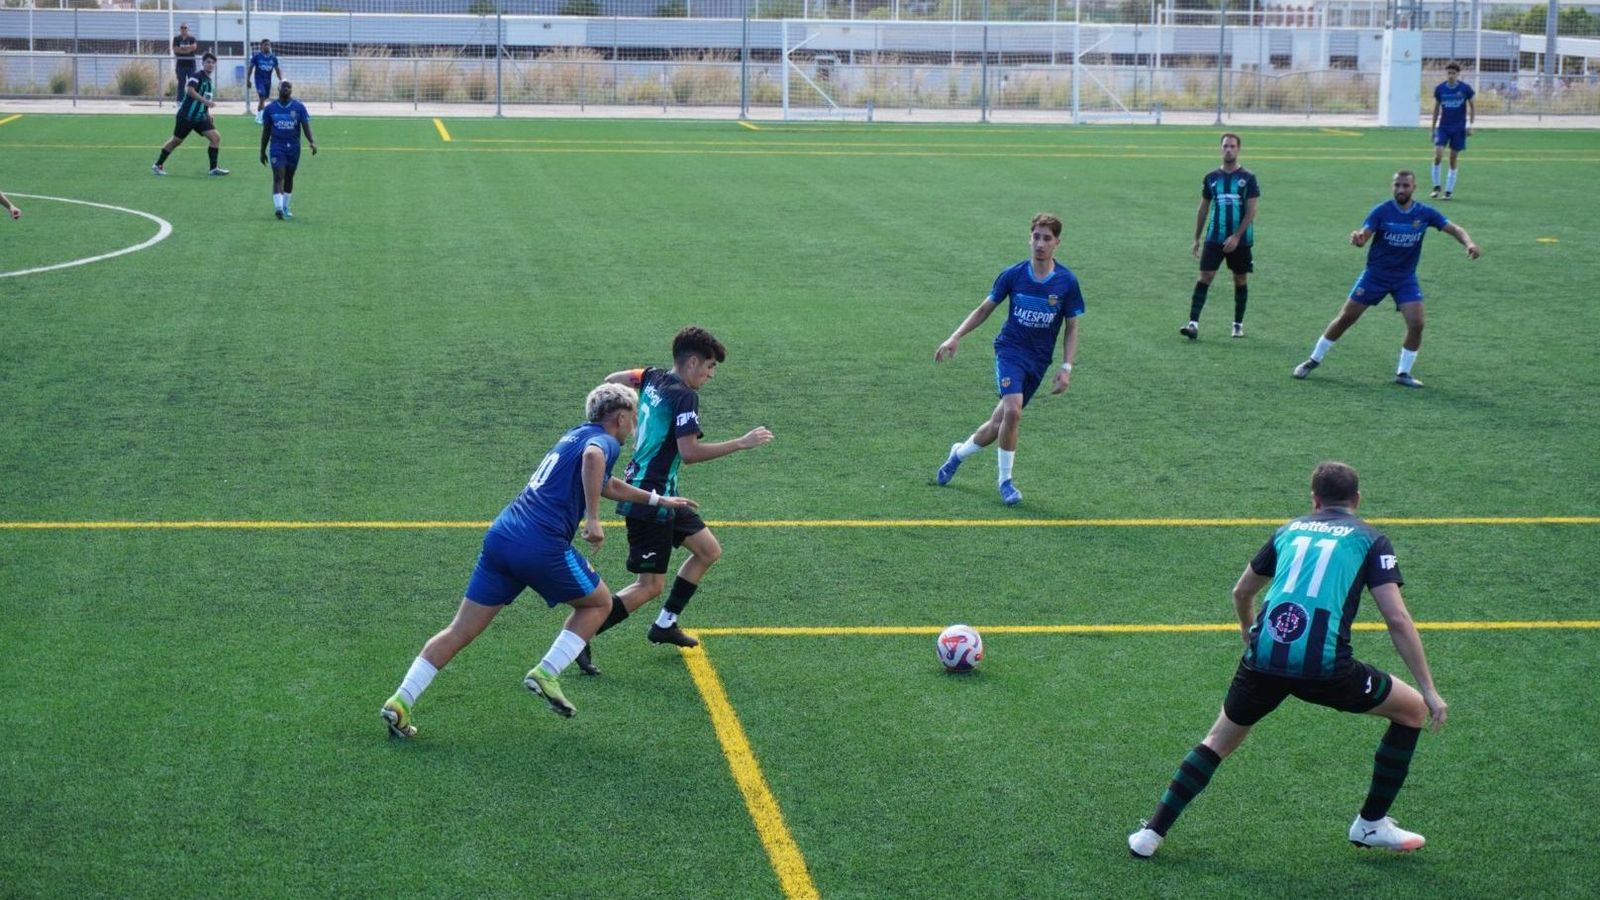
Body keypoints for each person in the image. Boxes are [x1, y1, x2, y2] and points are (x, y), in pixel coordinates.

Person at [1128, 461, 1448, 859]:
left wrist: (1249, 632)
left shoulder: (1289, 530)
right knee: (1412, 710)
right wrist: (1431, 690)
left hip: (1262, 661)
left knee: (1218, 741)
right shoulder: (1371, 539)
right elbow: (1396, 618)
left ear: (1313, 500)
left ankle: (1151, 834)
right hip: (1328, 671)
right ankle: (1370, 825)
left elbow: (1241, 592)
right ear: (1358, 499)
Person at [379, 383, 698, 738]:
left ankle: (401, 701)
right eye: (633, 420)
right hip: (540, 543)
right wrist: (593, 519)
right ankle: (547, 672)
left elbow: (607, 484)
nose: (634, 428)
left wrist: (657, 500)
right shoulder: (604, 443)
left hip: (502, 537)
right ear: (620, 418)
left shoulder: (575, 434)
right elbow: (594, 461)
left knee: (460, 629)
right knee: (600, 602)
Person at [575, 326, 773, 676]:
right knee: (649, 586)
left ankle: (665, 624)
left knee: (708, 550)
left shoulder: (651, 377)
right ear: (692, 361)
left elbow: (612, 379)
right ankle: (579, 638)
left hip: (668, 496)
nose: (711, 375)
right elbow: (690, 451)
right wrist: (741, 443)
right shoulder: (684, 396)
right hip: (651, 497)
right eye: (710, 366)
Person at [933, 213, 1082, 506]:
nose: (1040, 244)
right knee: (1013, 412)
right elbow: (984, 309)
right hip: (1010, 351)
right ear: (1030, 238)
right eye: (1036, 237)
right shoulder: (1013, 275)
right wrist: (955, 336)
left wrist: (1066, 367)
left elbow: (1072, 326)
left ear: (1057, 243)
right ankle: (1006, 483)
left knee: (996, 424)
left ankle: (957, 455)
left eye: (1047, 238)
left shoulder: (1066, 282)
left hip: (1038, 362)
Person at [1292, 171, 1479, 388]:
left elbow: (1454, 228)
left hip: (1405, 278)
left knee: (1417, 323)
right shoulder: (1382, 211)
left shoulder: (1424, 213)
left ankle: (1403, 373)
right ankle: (1312, 361)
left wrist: (1469, 243)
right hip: (1375, 276)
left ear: (1414, 188)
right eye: (1397, 185)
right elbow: (1364, 236)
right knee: (1345, 318)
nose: (1401, 190)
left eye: (1405, 186)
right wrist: (1358, 239)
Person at [1181, 133, 1259, 340]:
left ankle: (1237, 324)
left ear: (1238, 149)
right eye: (1225, 146)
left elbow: (1252, 211)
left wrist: (1236, 236)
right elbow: (1203, 208)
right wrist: (1197, 238)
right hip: (1214, 237)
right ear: (1220, 148)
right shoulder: (1211, 178)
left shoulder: (1248, 178)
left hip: (1241, 240)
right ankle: (1192, 324)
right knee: (1205, 277)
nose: (1229, 150)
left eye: (1232, 146)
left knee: (1240, 279)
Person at [153, 52, 229, 177]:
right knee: (176, 141)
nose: (210, 65)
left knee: (215, 138)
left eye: (212, 63)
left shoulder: (210, 82)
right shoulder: (197, 75)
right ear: (203, 63)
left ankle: (213, 168)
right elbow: (190, 90)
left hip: (200, 117)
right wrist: (206, 102)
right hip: (186, 116)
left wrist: (207, 112)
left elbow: (205, 99)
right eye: (208, 62)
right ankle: (158, 164)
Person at [259, 81, 316, 220]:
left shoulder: (299, 107)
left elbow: (305, 127)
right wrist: (262, 151)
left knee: (289, 177)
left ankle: (285, 207)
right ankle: (278, 208)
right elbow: (266, 131)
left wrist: (312, 142)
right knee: (278, 175)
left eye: (289, 87)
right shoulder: (270, 109)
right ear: (278, 88)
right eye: (284, 86)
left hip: (294, 148)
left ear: (291, 90)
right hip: (277, 147)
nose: (286, 89)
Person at [1429, 63, 1475, 201]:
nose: (1451, 76)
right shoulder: (1440, 89)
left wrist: (1470, 125)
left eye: (1453, 73)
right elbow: (1436, 109)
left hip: (1459, 128)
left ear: (1458, 74)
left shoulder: (1465, 89)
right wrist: (1432, 129)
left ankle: (1448, 191)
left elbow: (1473, 108)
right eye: (1449, 73)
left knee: (1453, 158)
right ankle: (1436, 186)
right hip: (1443, 127)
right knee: (1438, 155)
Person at [247, 39, 282, 114]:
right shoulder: (257, 57)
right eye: (265, 45)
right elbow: (250, 68)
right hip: (259, 80)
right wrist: (248, 79)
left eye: (269, 45)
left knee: (264, 98)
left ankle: (260, 112)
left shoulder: (273, 58)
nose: (267, 46)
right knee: (262, 96)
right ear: (261, 46)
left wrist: (281, 80)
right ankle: (260, 115)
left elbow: (277, 69)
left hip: (268, 81)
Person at [172, 23, 198, 103]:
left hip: (191, 65)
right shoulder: (176, 39)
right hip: (180, 65)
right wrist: (187, 49)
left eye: (185, 28)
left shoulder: (192, 38)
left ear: (188, 29)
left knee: (192, 84)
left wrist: (182, 49)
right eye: (182, 28)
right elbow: (175, 49)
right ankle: (180, 101)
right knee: (181, 83)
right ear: (180, 29)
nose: (183, 29)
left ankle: (192, 100)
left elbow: (193, 47)